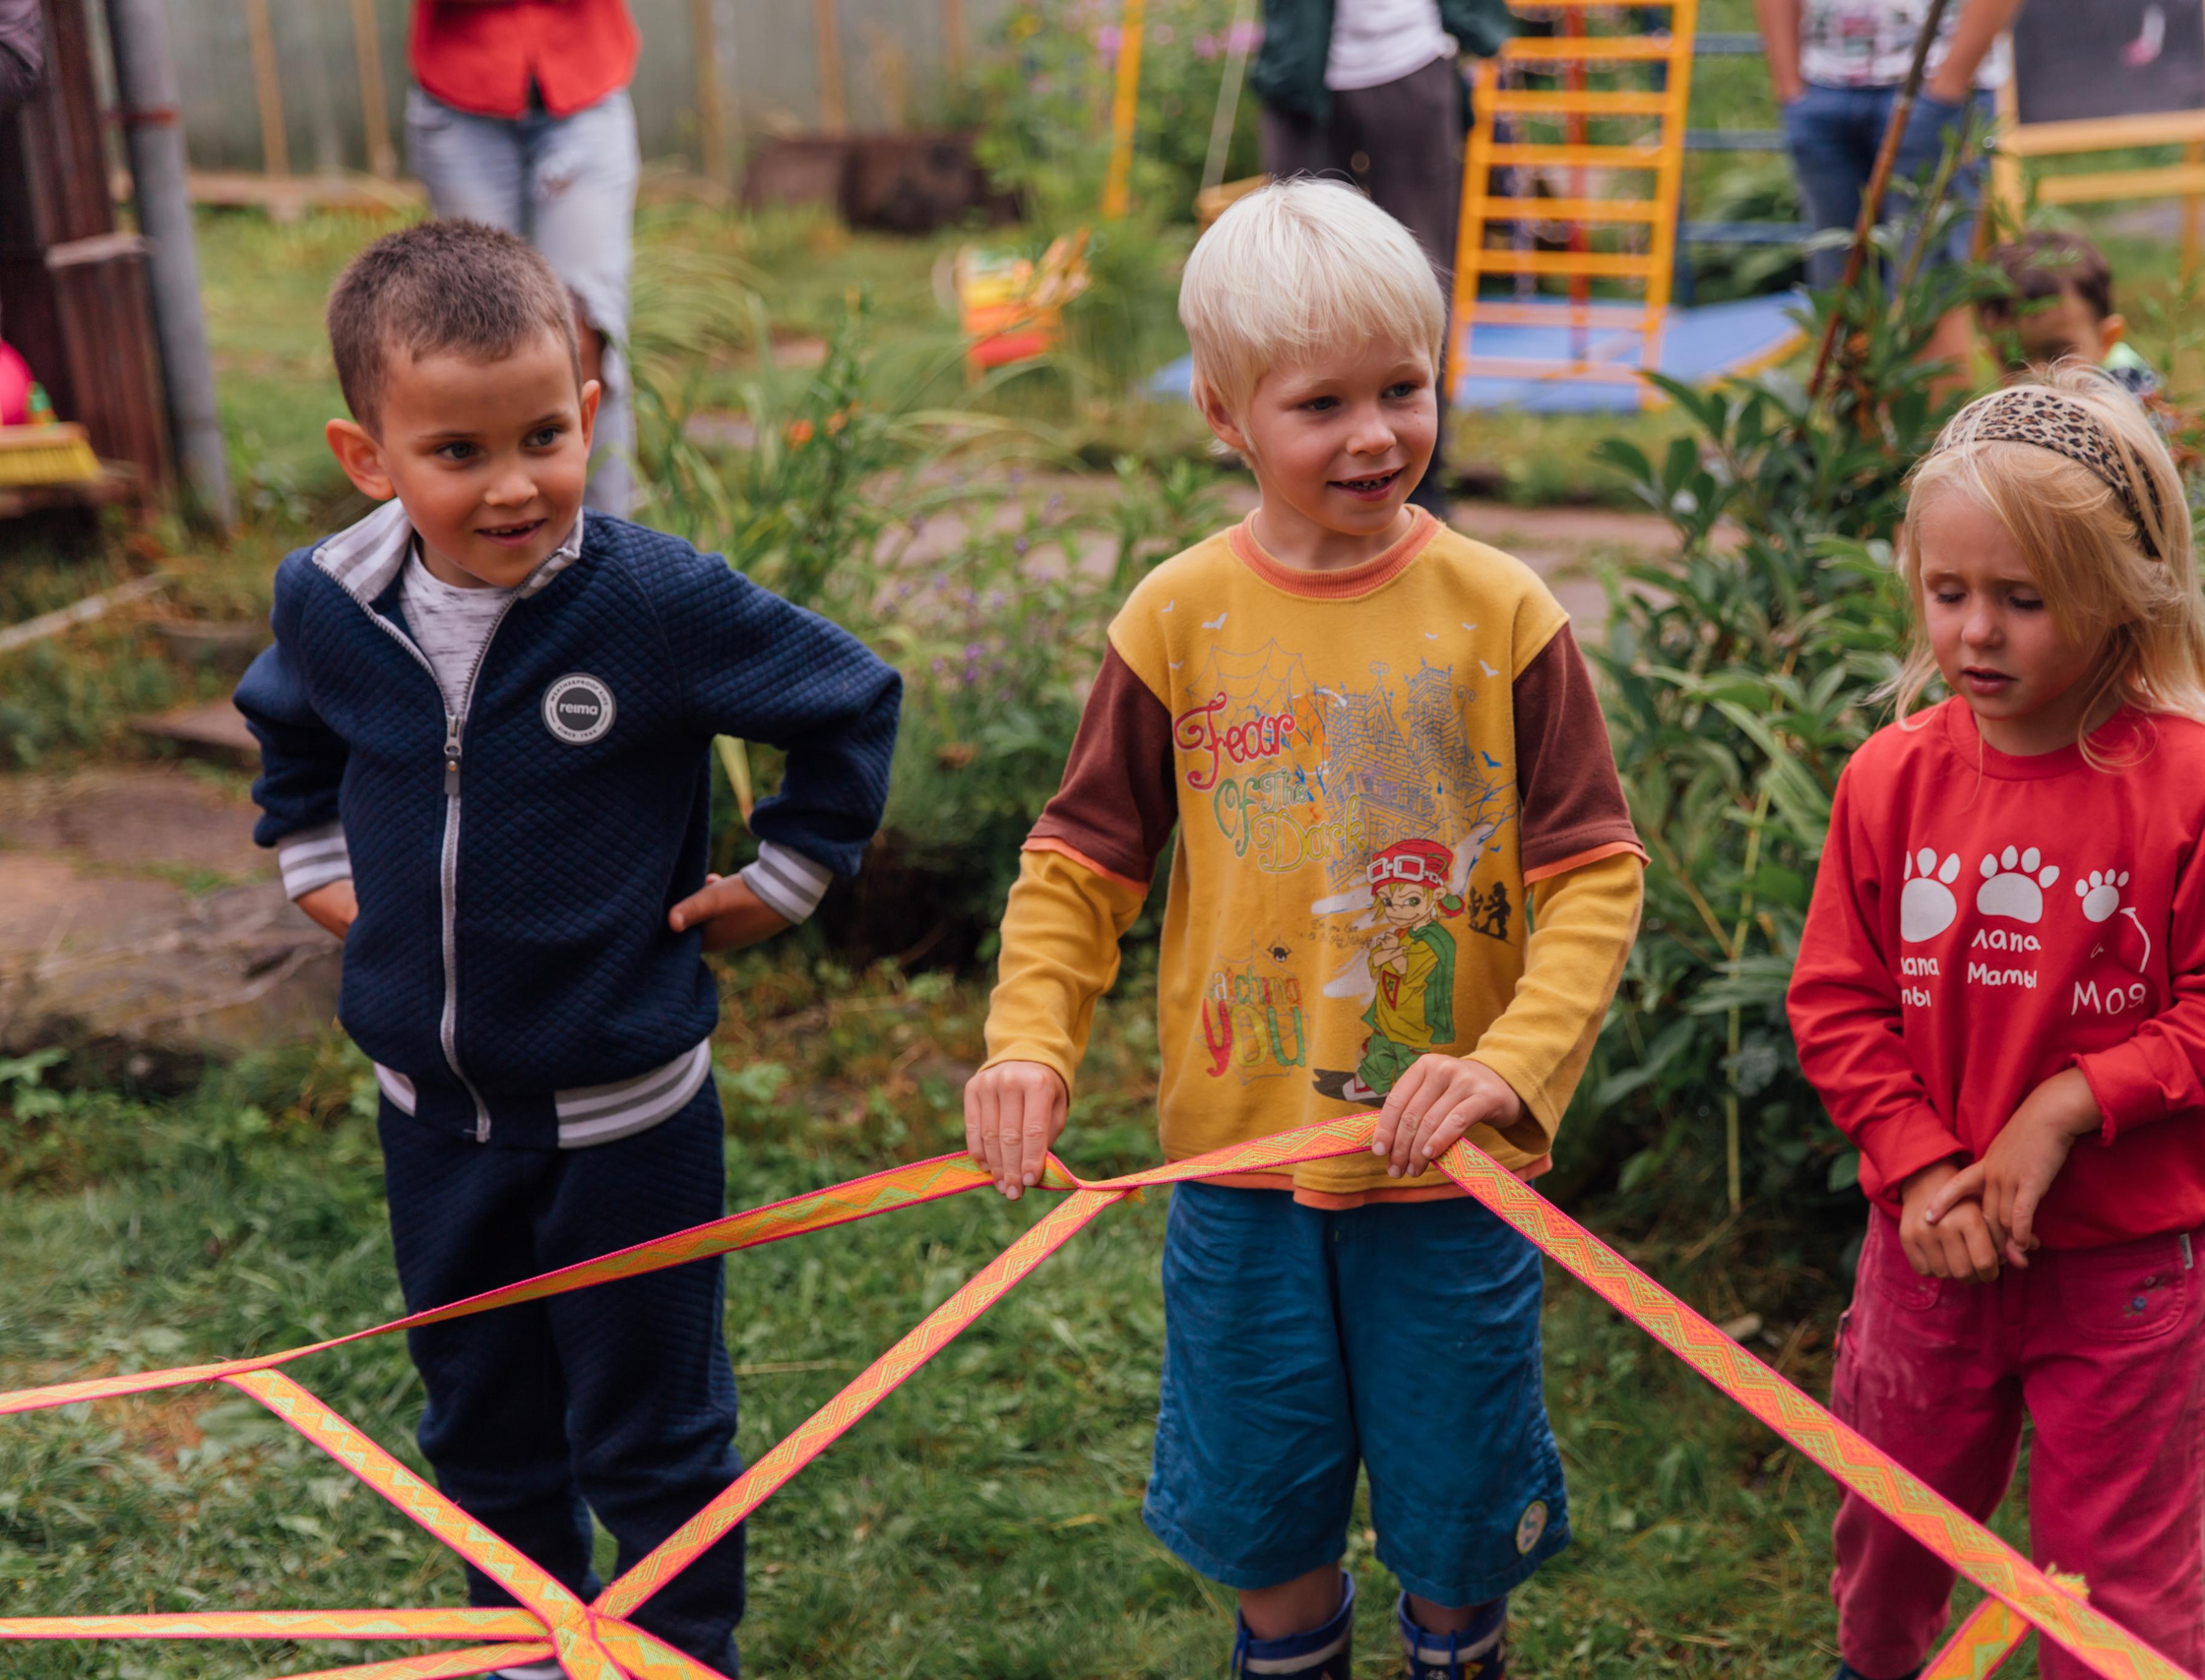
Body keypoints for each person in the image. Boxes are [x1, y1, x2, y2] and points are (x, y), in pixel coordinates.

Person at [962, 179, 1647, 1680]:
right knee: (1263, 1523)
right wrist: (1028, 1041)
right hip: (1244, 1167)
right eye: (1320, 403)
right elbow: (1080, 862)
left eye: (1404, 388)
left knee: (1462, 1529)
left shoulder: (1503, 609)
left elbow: (1595, 868)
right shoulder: (1175, 619)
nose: (1375, 435)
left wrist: (1512, 1064)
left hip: (1451, 1174)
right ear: (1222, 410)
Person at [233, 220, 902, 1680]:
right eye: (458, 450)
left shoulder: (654, 602)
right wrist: (314, 858)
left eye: (544, 434)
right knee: (479, 1414)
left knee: (653, 1430)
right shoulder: (332, 601)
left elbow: (851, 695)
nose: (513, 481)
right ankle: (523, 1648)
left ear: (590, 410)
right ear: (371, 457)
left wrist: (786, 873)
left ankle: (670, 1655)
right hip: (437, 1118)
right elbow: (287, 717)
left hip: (628, 1121)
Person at [1786, 370, 2205, 1680]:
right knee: (1892, 1516)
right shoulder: (1891, 777)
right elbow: (1838, 1001)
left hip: (2126, 1272)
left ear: (2129, 597)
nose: (1976, 632)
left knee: (2112, 1578)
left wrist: (2064, 1108)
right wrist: (1918, 1163)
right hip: (1927, 1249)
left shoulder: (2200, 791)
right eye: (1948, 592)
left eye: (2024, 598)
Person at [1253, 0, 1518, 517]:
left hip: (1409, 60)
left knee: (1423, 278)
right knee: (1295, 278)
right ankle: (1296, 472)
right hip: (1300, 71)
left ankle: (1422, 481)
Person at [404, 0, 642, 516]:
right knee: (482, 332)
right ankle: (495, 543)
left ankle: (603, 546)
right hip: (461, 95)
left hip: (585, 91)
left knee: (584, 331)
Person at [1756, 0, 2021, 374]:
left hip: (1936, 81)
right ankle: (1855, 428)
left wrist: (1949, 82)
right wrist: (1790, 88)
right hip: (1820, 84)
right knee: (1840, 291)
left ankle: (1936, 431)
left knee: (1930, 293)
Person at [1978, 230, 2159, 401]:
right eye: (2014, 361)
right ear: (1992, 354)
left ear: (2105, 339)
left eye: (2058, 356)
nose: (2037, 378)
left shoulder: (2128, 388)